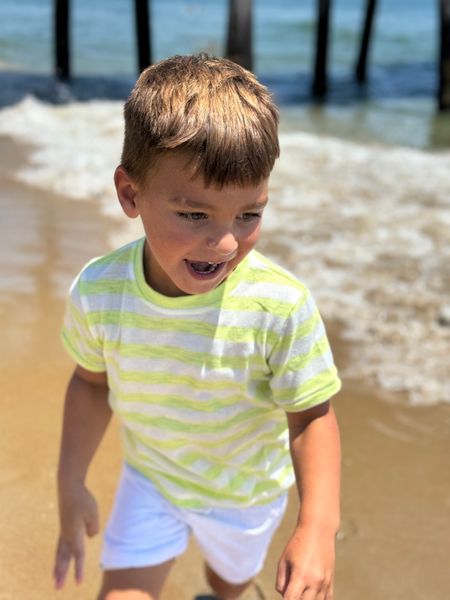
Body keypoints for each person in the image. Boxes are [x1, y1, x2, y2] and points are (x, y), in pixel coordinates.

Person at [53, 53, 341, 600]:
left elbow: (311, 415)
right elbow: (91, 384)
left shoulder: (278, 306)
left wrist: (316, 527)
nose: (226, 242)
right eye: (194, 215)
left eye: (249, 214)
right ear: (131, 194)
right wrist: (70, 483)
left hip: (244, 493)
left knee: (226, 584)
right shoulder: (101, 292)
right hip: (153, 481)